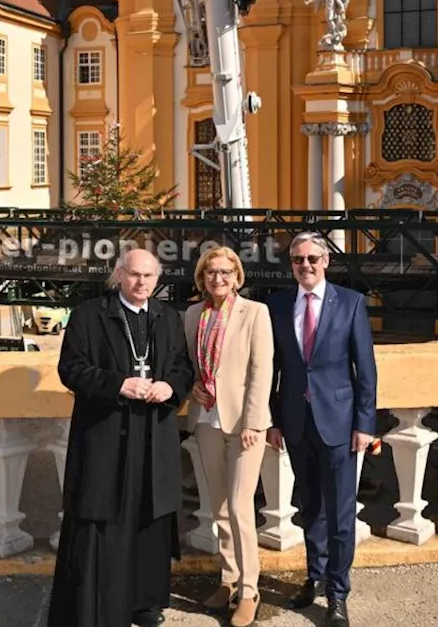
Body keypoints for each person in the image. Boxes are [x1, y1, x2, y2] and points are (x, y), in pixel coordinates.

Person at [47, 247, 196, 627]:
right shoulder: (89, 315)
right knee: (105, 520)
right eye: (134, 274)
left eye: (148, 276)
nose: (141, 282)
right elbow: (72, 370)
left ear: (158, 279)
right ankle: (100, 607)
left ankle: (144, 601)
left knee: (148, 519)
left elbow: (182, 367)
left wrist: (169, 388)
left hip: (153, 436)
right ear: (119, 275)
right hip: (106, 436)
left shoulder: (168, 317)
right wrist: (119, 384)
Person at [266, 232, 377, 627]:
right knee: (310, 506)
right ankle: (314, 575)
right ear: (291, 264)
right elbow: (272, 370)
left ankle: (337, 592)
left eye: (313, 258)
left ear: (326, 261)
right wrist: (274, 420)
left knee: (340, 511)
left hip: (340, 425)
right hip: (296, 424)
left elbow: (366, 370)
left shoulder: (350, 303)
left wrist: (365, 424)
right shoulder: (277, 306)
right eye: (298, 260)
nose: (306, 265)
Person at [182, 246, 274, 627]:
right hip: (206, 420)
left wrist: (254, 422)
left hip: (244, 425)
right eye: (210, 272)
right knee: (218, 506)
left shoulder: (255, 312)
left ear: (237, 275)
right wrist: (191, 387)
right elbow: (186, 363)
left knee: (239, 507)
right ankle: (228, 578)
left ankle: (250, 589)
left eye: (224, 272)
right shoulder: (192, 315)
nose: (217, 278)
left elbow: (261, 368)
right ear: (201, 277)